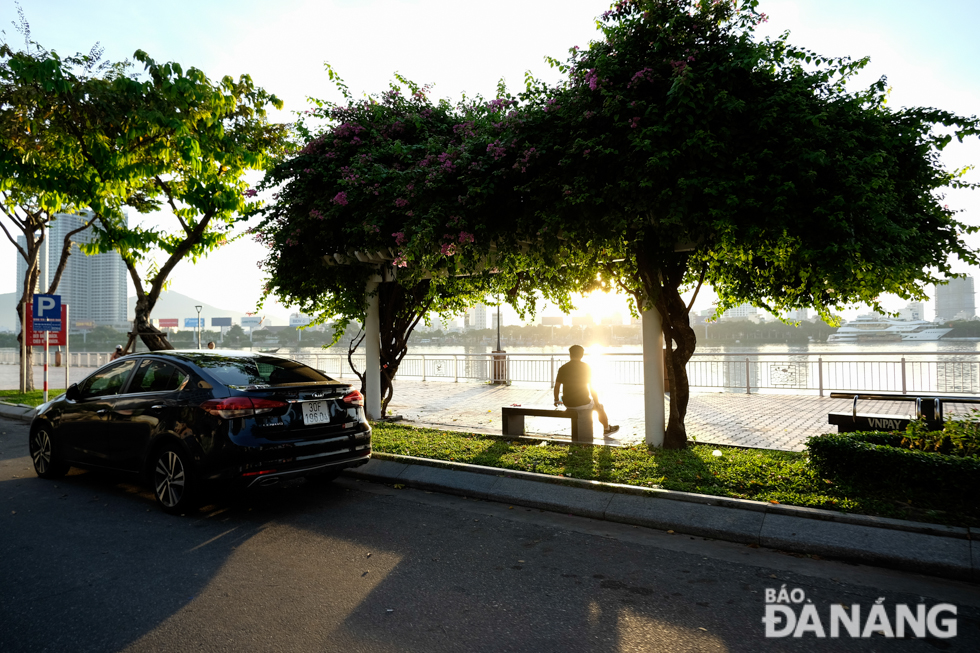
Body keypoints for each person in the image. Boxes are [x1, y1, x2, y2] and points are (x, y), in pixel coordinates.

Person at [553, 345, 619, 435]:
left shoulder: (563, 368)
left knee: (594, 405)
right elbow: (592, 387)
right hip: (582, 403)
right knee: (600, 407)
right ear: (582, 355)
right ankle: (607, 429)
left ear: (570, 355)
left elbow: (556, 387)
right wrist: (597, 402)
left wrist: (556, 400)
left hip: (568, 404)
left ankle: (606, 428)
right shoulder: (586, 367)